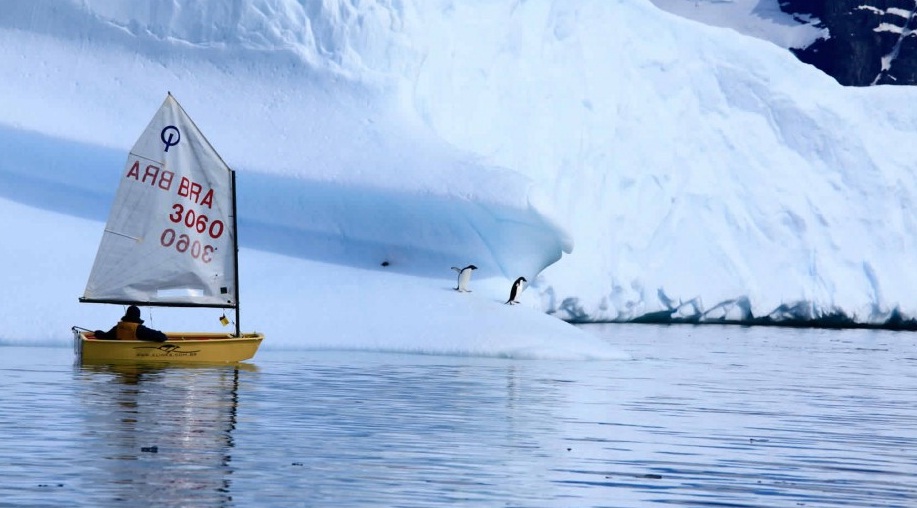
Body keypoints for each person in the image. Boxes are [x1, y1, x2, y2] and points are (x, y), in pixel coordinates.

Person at [94, 305, 167, 342]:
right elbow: (162, 337)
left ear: (126, 316)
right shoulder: (140, 329)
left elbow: (104, 336)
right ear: (138, 317)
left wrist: (98, 332)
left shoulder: (117, 328)